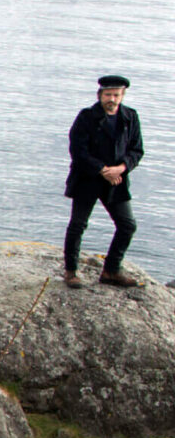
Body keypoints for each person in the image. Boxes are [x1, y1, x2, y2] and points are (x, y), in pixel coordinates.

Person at [63, 74, 144, 289]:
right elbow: (78, 151)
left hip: (116, 180)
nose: (112, 99)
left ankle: (111, 270)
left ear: (122, 95)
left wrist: (122, 167)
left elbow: (137, 150)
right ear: (100, 95)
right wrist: (101, 169)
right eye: (108, 94)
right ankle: (71, 272)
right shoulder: (86, 117)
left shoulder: (130, 117)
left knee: (127, 225)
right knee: (78, 225)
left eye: (116, 95)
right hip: (87, 179)